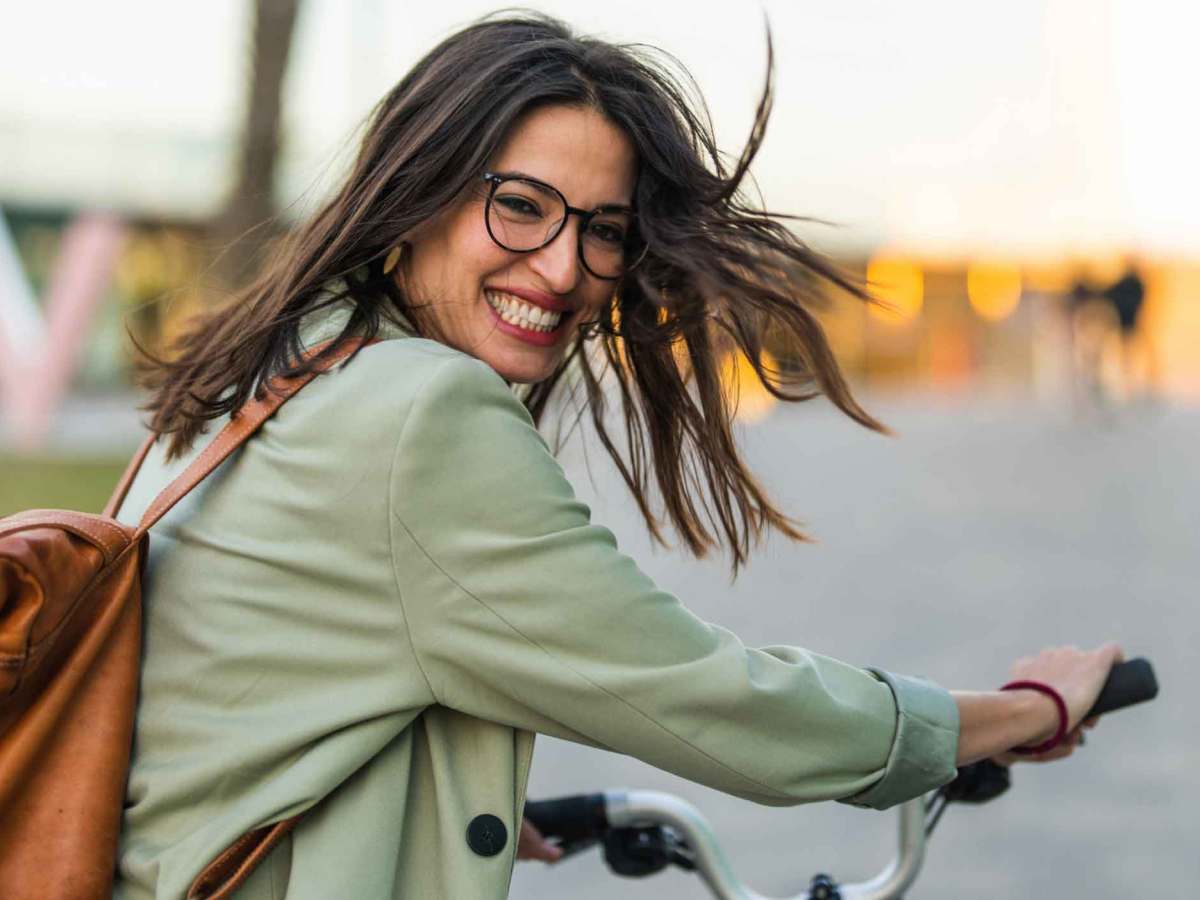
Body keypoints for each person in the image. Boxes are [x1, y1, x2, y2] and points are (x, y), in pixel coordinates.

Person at [112, 13, 1121, 899]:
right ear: (419, 191)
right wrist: (1010, 716)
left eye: (605, 230)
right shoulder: (422, 409)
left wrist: (458, 789)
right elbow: (707, 699)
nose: (563, 268)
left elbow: (264, 681)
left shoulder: (282, 357)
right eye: (519, 204)